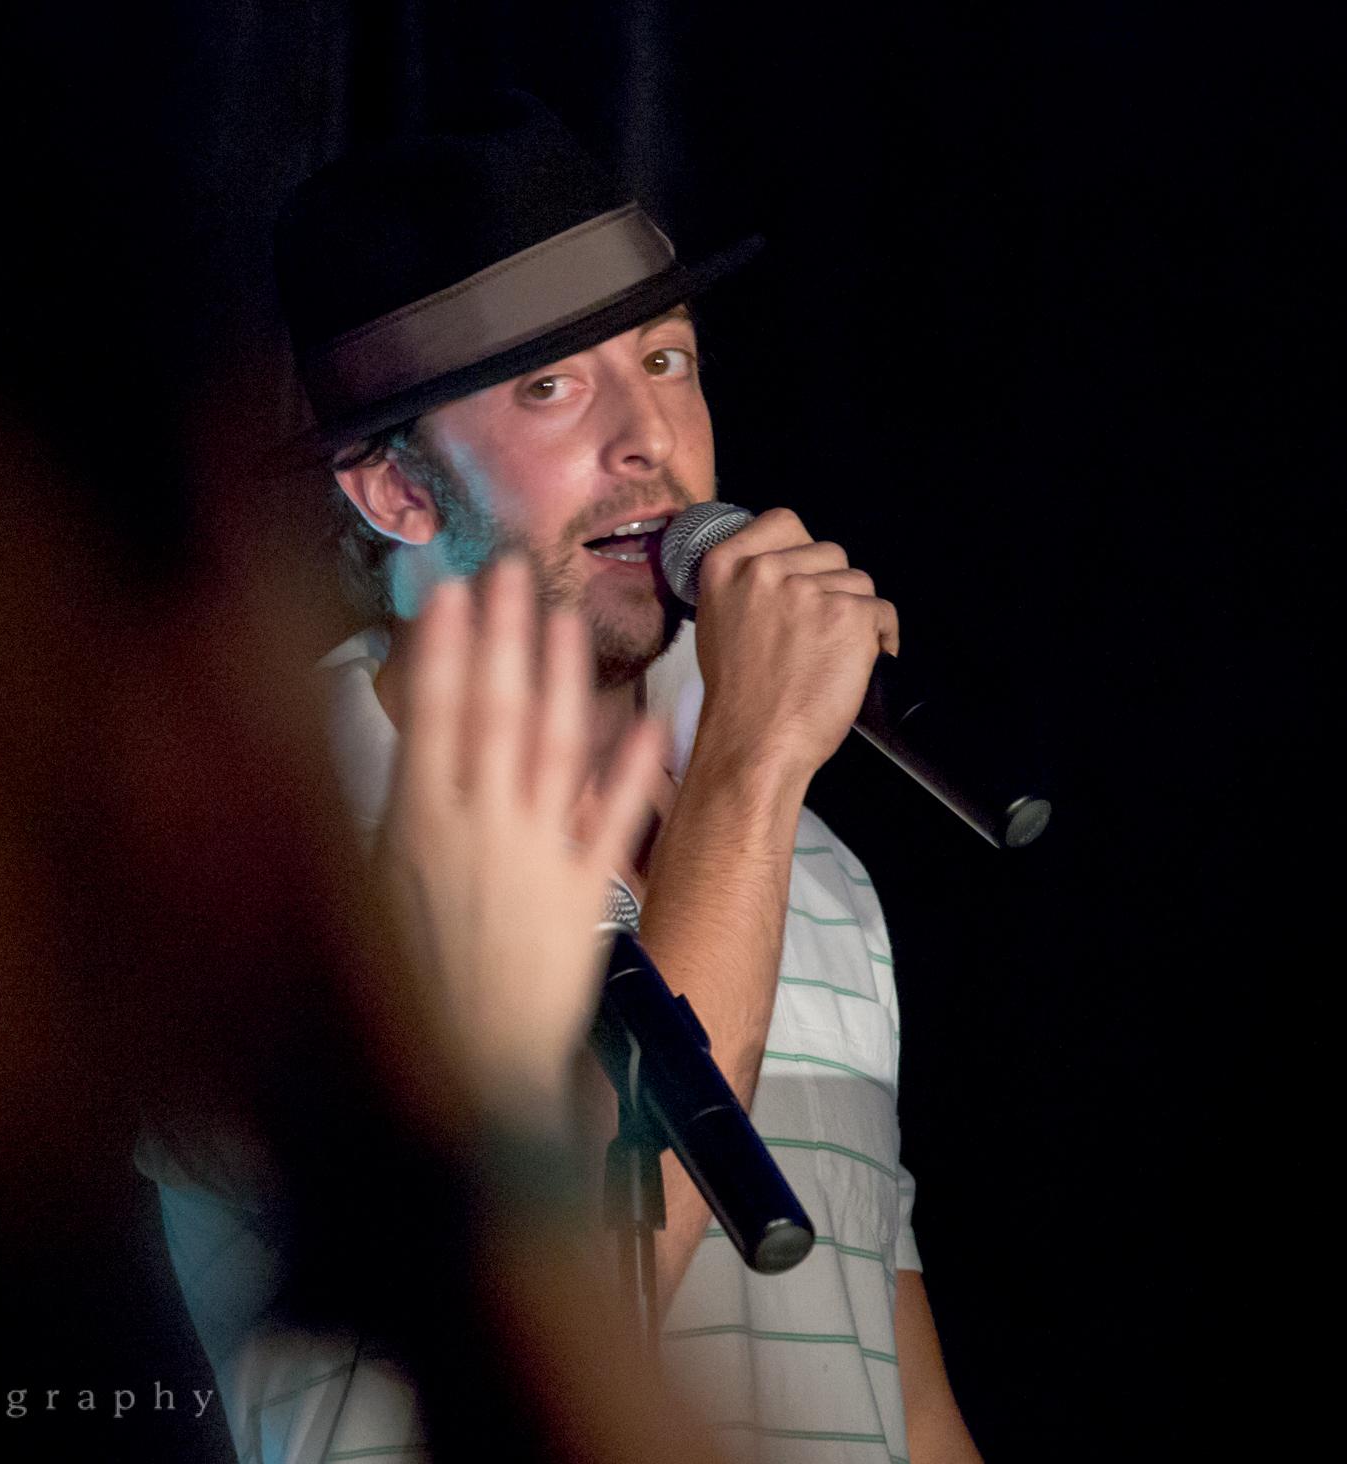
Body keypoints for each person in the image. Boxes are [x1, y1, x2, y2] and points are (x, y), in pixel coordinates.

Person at [145, 92, 983, 1463]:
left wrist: (750, 796)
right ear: (396, 492)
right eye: (549, 386)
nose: (646, 437)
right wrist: (752, 778)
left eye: (665, 357)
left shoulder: (811, 868)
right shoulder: (272, 868)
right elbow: (558, 1332)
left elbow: (901, 1400)